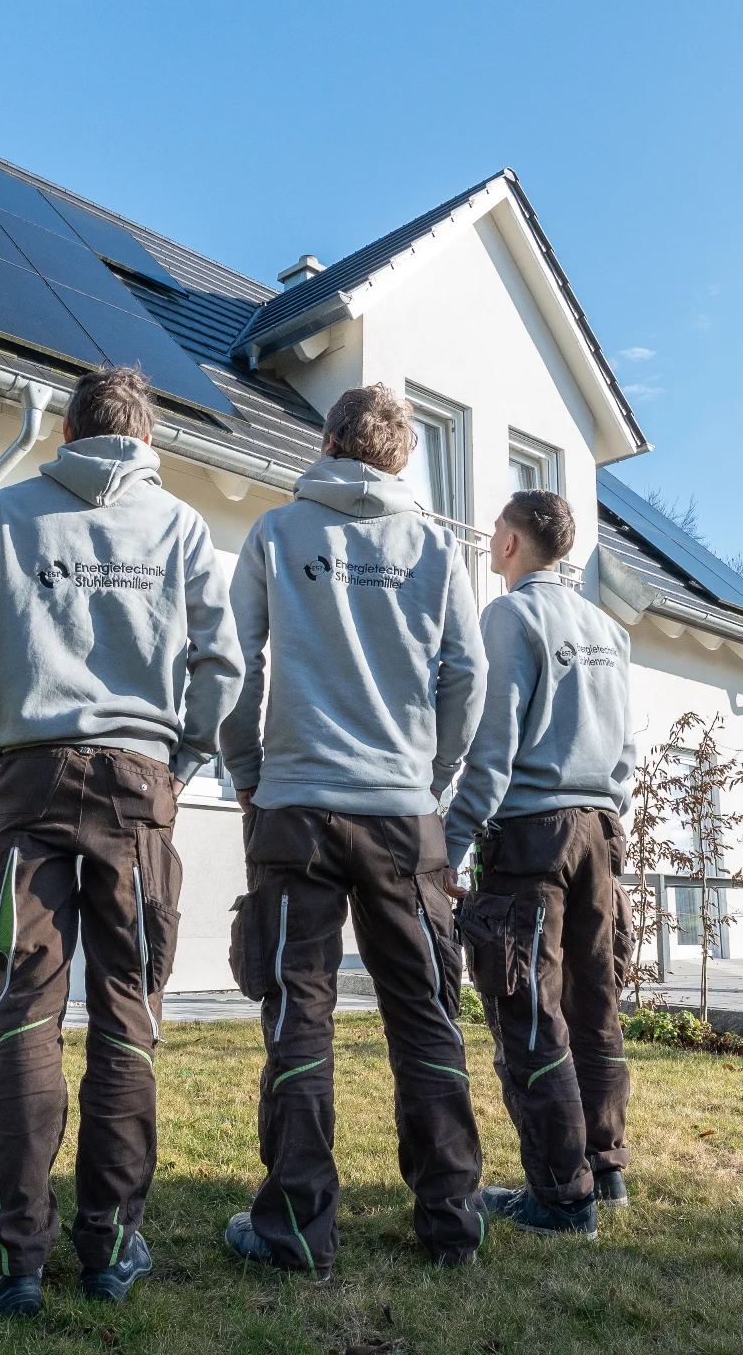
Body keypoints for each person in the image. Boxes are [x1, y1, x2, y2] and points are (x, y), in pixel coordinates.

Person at [0, 364, 243, 1317]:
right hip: (137, 783)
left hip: (32, 775)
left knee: (27, 1011)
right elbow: (220, 660)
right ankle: (111, 1245)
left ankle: (14, 1256)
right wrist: (185, 753)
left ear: (68, 429)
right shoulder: (182, 525)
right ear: (147, 436)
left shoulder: (13, 507)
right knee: (126, 1013)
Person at [217, 383, 488, 1279]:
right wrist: (434, 777)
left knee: (300, 1013)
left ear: (330, 441)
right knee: (427, 1013)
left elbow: (234, 664)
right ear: (403, 457)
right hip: (405, 818)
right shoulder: (438, 548)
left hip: (296, 807)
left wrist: (247, 772)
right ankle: (452, 1219)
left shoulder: (277, 532)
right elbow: (467, 675)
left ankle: (297, 1230)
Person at [444, 490, 637, 1238]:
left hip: (530, 836)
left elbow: (491, 751)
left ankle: (562, 1196)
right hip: (600, 830)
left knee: (530, 1012)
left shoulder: (511, 617)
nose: (491, 539)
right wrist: (609, 811)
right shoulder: (605, 628)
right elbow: (626, 747)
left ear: (516, 544)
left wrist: (455, 838)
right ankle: (606, 1166)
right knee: (596, 1002)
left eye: (497, 530)